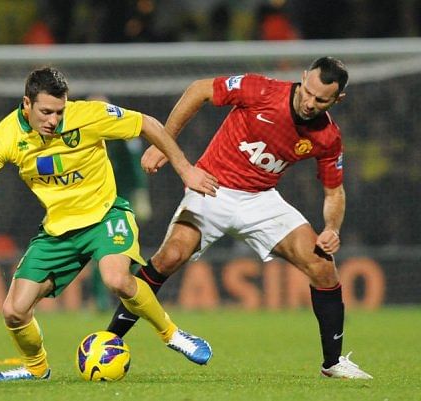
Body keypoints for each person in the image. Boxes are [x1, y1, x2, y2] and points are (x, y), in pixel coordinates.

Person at [0, 67, 218, 381]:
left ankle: (173, 335)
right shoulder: (6, 135)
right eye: (45, 112)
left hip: (106, 215)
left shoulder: (89, 115)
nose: (53, 120)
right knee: (14, 311)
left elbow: (147, 124)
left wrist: (185, 170)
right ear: (26, 104)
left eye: (59, 111)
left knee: (117, 279)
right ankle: (36, 369)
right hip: (58, 231)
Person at [106, 57, 373, 379]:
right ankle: (109, 341)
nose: (310, 103)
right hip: (211, 188)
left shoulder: (327, 136)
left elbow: (334, 192)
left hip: (260, 200)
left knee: (323, 266)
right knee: (169, 257)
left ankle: (333, 363)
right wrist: (166, 144)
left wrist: (332, 228)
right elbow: (198, 90)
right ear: (303, 78)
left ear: (337, 100)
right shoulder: (260, 89)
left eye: (321, 100)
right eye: (308, 92)